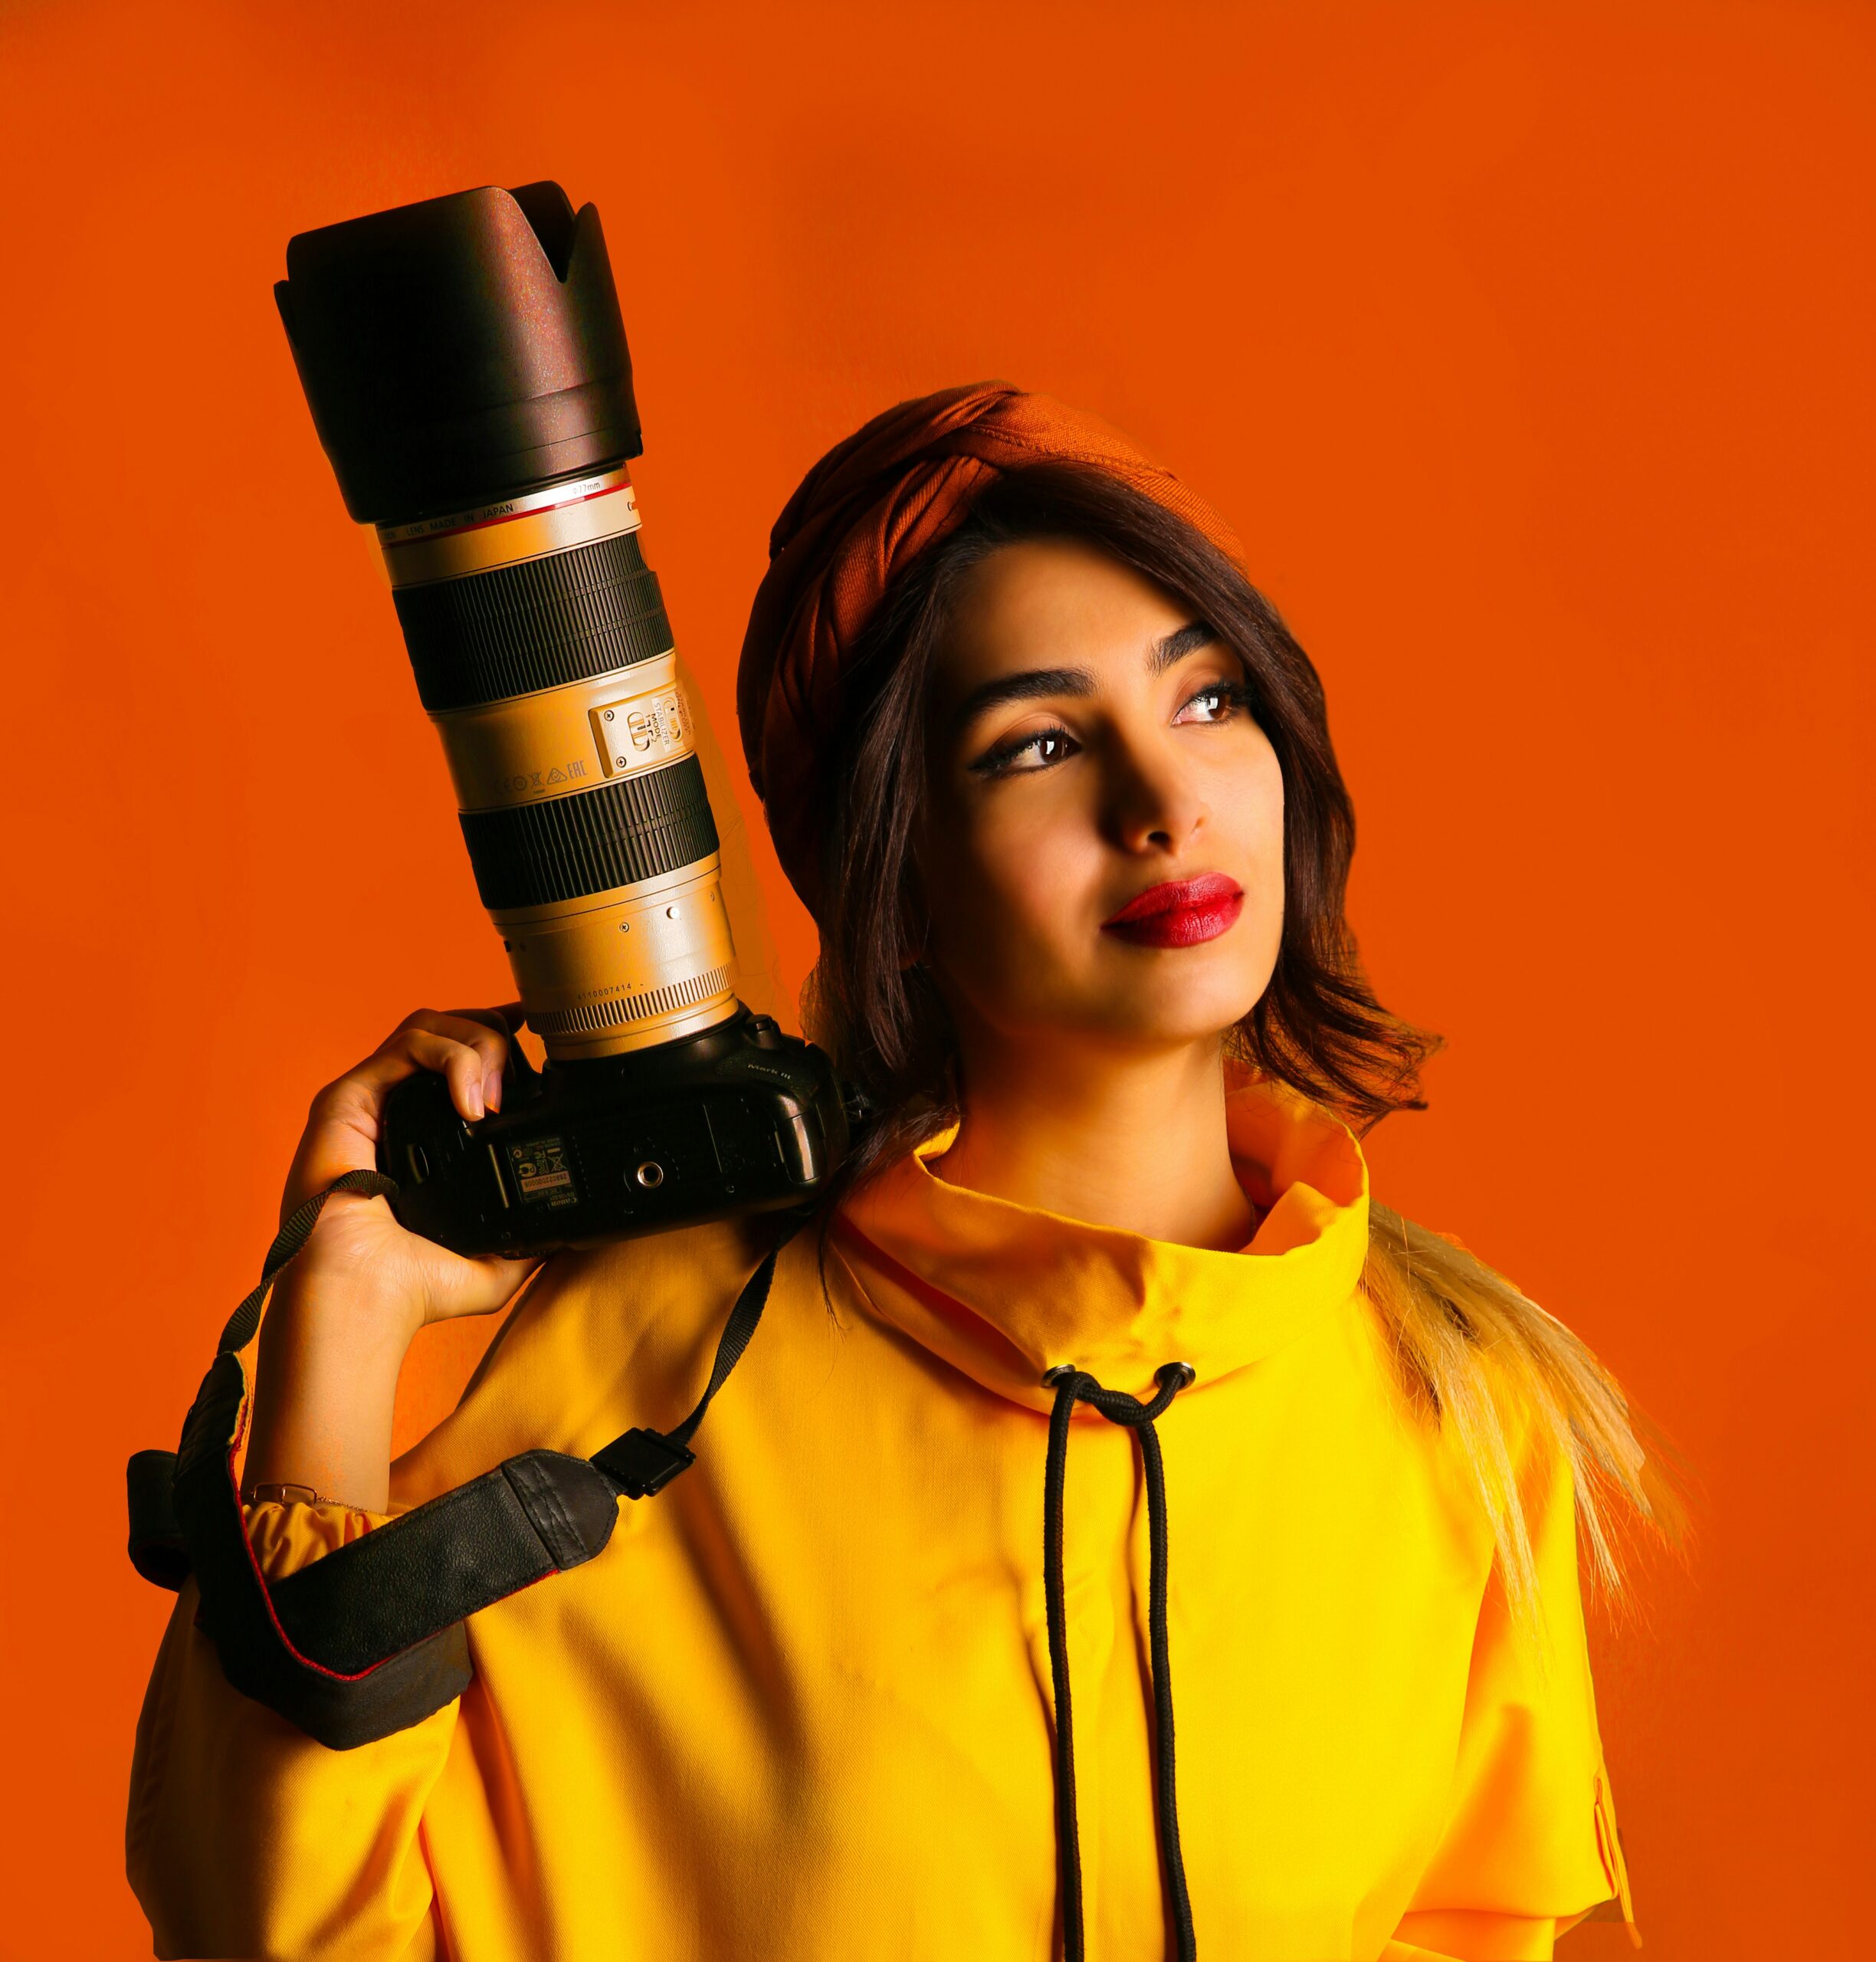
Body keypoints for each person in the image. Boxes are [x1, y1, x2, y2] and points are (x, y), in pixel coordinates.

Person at [127, 383, 1678, 1961]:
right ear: (897, 862)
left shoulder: (1461, 1404)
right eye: (1043, 743)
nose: (1162, 804)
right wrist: (347, 1300)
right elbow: (274, 1931)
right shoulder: (660, 1365)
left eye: (1210, 702)